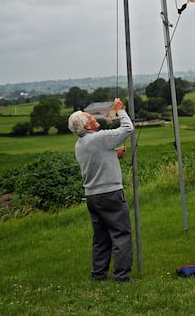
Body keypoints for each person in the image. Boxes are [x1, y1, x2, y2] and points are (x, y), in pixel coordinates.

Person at [68, 98, 134, 282]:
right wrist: (120, 110)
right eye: (91, 118)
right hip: (110, 194)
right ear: (88, 127)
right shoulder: (99, 138)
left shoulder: (80, 145)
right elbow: (128, 129)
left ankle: (99, 274)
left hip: (92, 197)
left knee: (101, 238)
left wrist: (112, 154)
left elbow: (97, 160)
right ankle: (121, 276)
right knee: (121, 234)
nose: (95, 118)